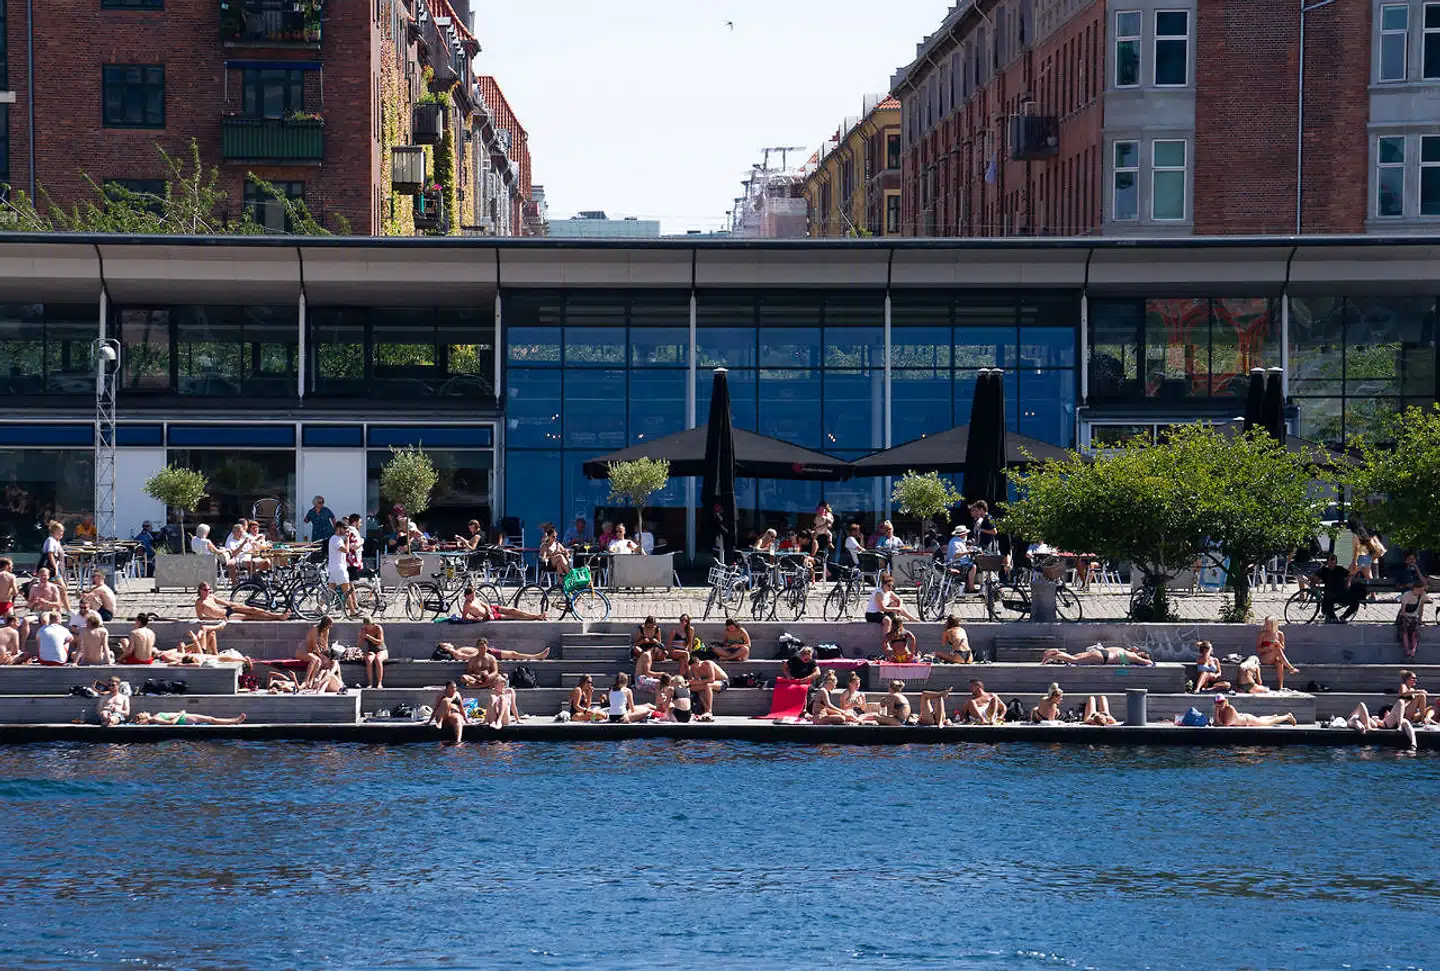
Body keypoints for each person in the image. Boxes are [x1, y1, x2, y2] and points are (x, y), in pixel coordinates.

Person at [195, 582, 290, 622]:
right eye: (205, 590)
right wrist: (216, 619)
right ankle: (277, 618)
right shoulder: (199, 603)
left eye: (209, 589)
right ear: (200, 590)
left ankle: (278, 616)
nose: (208, 591)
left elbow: (227, 603)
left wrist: (240, 606)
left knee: (253, 609)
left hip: (228, 610)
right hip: (225, 616)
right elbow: (201, 618)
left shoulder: (211, 597)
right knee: (251, 617)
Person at [1315, 553, 1365, 624]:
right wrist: (1316, 581)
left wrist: (1348, 582)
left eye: (1333, 563)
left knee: (1355, 603)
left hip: (1341, 593)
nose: (1332, 564)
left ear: (1336, 562)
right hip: (1330, 594)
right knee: (1327, 602)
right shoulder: (1324, 570)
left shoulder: (1340, 569)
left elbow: (1350, 575)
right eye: (1330, 562)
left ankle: (1343, 617)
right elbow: (1314, 577)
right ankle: (1333, 618)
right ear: (1327, 562)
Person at [1347, 701, 1418, 750]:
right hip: (1385, 724)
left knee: (1402, 705)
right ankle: (1413, 743)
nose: (1388, 713)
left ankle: (1414, 743)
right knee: (1401, 703)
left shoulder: (1396, 718)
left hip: (1389, 723)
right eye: (1387, 712)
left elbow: (1409, 726)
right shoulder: (1376, 718)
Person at [865, 573, 917, 638]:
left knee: (895, 603)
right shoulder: (879, 593)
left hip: (881, 613)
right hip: (872, 614)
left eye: (892, 586)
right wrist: (895, 609)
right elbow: (882, 608)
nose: (890, 588)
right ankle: (886, 641)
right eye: (889, 586)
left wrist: (899, 607)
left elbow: (899, 599)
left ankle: (913, 619)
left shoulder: (889, 592)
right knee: (887, 620)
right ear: (883, 585)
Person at [1255, 616, 1300, 690]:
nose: (1266, 625)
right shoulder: (1262, 634)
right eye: (1265, 623)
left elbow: (1282, 648)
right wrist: (1269, 648)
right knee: (1277, 651)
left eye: (1268, 624)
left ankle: (1280, 686)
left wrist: (1278, 644)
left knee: (1279, 663)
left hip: (1275, 657)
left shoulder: (1280, 634)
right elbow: (1258, 649)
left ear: (1274, 625)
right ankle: (1290, 668)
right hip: (1265, 657)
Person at [457, 587, 547, 623]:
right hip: (488, 617)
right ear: (466, 596)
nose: (473, 598)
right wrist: (475, 619)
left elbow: (486, 605)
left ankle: (536, 616)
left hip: (491, 610)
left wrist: (489, 611)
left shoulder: (475, 598)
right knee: (512, 616)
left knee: (513, 610)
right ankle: (536, 617)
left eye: (474, 595)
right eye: (471, 596)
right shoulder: (467, 605)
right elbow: (464, 618)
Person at [439, 636, 551, 663]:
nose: (448, 643)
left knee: (513, 653)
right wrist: (482, 653)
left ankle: (537, 656)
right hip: (486, 654)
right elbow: (467, 657)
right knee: (513, 654)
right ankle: (537, 656)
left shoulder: (458, 650)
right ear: (446, 648)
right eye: (446, 644)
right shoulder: (456, 653)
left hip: (486, 651)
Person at [327, 526, 357, 617]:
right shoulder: (335, 539)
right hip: (338, 569)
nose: (346, 532)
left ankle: (319, 608)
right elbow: (346, 550)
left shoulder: (337, 539)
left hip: (334, 568)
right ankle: (352, 611)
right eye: (345, 529)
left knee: (330, 591)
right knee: (346, 591)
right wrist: (347, 539)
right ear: (339, 529)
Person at [1212, 695, 1297, 727]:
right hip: (1243, 717)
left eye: (1222, 701)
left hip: (1247, 720)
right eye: (1218, 702)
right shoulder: (1220, 709)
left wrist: (1217, 712)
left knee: (1267, 723)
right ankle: (1272, 716)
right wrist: (1216, 710)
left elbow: (1225, 725)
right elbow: (1216, 723)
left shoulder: (1230, 708)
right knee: (1260, 719)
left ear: (1226, 701)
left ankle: (1287, 716)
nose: (1221, 704)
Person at [1397, 580, 1429, 659]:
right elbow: (1403, 610)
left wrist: (1420, 618)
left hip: (1414, 616)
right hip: (1405, 616)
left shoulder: (1422, 595)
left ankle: (1413, 650)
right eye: (1419, 590)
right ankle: (1407, 649)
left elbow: (1421, 607)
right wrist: (1406, 618)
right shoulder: (1407, 595)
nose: (1421, 592)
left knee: (1415, 631)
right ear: (1415, 588)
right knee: (1405, 630)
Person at [1041, 645, 1155, 666]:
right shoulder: (1132, 656)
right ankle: (1053, 654)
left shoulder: (1125, 650)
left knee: (1074, 657)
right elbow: (1147, 662)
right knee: (1074, 660)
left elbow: (1134, 650)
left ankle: (1054, 654)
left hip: (1100, 651)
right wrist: (1149, 661)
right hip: (1103, 657)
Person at [360, 617, 387, 689]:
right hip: (371, 650)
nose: (369, 626)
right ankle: (370, 683)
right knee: (369, 660)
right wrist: (361, 637)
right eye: (367, 625)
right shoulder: (363, 630)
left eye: (371, 624)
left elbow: (380, 642)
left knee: (378, 659)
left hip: (382, 650)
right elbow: (360, 644)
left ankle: (379, 683)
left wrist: (370, 637)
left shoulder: (378, 628)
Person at [132, 711, 248, 726]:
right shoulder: (155, 719)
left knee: (211, 719)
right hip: (184, 718)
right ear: (144, 717)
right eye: (142, 713)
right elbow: (171, 723)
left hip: (184, 717)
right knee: (211, 719)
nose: (144, 711)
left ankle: (233, 720)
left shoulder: (155, 717)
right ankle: (234, 721)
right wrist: (180, 714)